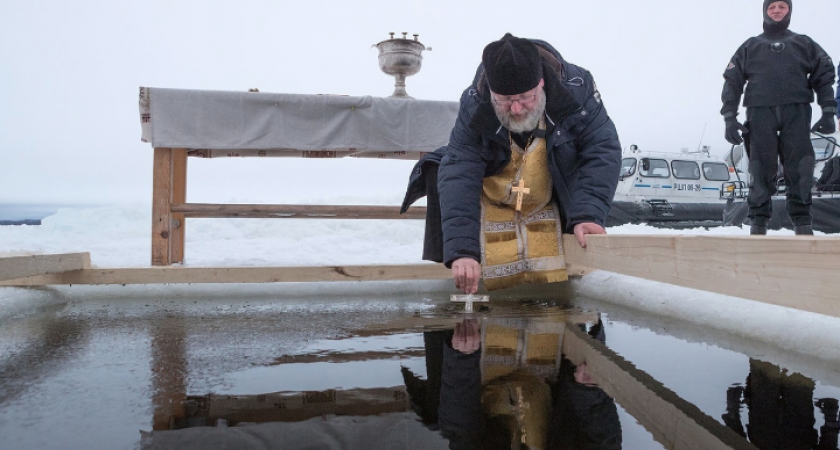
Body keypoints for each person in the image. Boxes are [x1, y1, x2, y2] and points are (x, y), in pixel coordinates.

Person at [436, 33, 621, 294]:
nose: (516, 109)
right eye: (504, 100)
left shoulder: (578, 90)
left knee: (555, 286)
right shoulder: (474, 102)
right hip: (493, 196)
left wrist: (588, 213)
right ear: (491, 92)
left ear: (542, 83)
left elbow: (601, 149)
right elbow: (459, 170)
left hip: (550, 195)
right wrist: (463, 250)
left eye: (525, 97)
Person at [721, 0, 837, 235]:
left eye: (781, 7)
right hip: (759, 111)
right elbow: (732, 81)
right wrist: (730, 118)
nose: (776, 11)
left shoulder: (803, 43)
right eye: (772, 7)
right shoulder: (750, 46)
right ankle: (758, 222)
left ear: (789, 11)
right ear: (765, 11)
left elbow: (824, 75)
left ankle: (803, 223)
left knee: (800, 167)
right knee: (760, 168)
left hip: (796, 111)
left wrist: (828, 112)